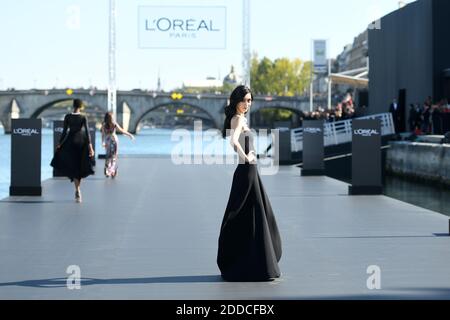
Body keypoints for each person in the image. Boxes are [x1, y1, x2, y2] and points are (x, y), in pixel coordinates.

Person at [217, 85, 282, 282]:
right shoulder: (237, 119)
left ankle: (254, 262)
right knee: (246, 215)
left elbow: (241, 141)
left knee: (253, 215)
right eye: (244, 100)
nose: (247, 104)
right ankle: (250, 263)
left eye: (250, 100)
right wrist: (246, 157)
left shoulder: (241, 118)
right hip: (247, 171)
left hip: (250, 170)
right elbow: (233, 141)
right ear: (236, 100)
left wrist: (251, 155)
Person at [50, 99, 95, 203]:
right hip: (81, 143)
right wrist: (90, 147)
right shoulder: (83, 117)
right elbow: (87, 132)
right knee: (80, 167)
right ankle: (78, 189)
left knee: (74, 167)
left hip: (71, 142)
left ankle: (77, 189)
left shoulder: (67, 117)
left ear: (73, 106)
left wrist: (59, 144)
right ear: (81, 106)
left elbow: (64, 132)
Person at [101, 112, 134, 178]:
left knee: (108, 155)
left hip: (107, 141)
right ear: (111, 118)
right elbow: (122, 130)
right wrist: (130, 135)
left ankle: (108, 170)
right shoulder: (114, 124)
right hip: (114, 140)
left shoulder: (104, 125)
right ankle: (111, 171)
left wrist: (103, 142)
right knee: (114, 156)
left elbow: (103, 134)